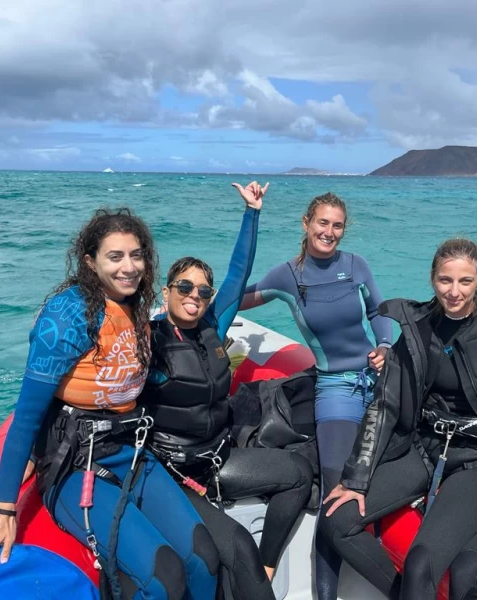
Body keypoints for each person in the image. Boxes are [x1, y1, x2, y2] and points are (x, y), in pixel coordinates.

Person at [0, 208, 219, 600]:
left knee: (205, 558)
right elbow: (26, 414)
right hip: (77, 463)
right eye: (115, 256)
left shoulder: (135, 305)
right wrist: (4, 509)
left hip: (132, 452)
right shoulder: (68, 314)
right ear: (90, 262)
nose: (129, 267)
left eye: (137, 255)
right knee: (164, 578)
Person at [322, 237, 477, 600]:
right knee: (337, 520)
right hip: (423, 449)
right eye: (445, 280)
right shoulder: (418, 327)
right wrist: (356, 478)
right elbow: (384, 404)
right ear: (432, 279)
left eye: (465, 281)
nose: (454, 291)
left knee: (420, 562)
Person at [143, 181, 314, 600]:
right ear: (166, 293)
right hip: (173, 474)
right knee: (236, 548)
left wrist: (252, 213)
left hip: (218, 459)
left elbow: (238, 274)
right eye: (184, 287)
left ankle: (271, 562)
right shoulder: (147, 340)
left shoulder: (212, 328)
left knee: (298, 475)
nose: (194, 296)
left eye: (202, 290)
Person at [239, 192, 393, 600]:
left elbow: (379, 313)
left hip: (380, 383)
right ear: (306, 223)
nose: (329, 232)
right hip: (336, 389)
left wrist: (386, 347)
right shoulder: (287, 276)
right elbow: (237, 299)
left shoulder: (356, 265)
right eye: (322, 223)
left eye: (337, 225)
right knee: (335, 495)